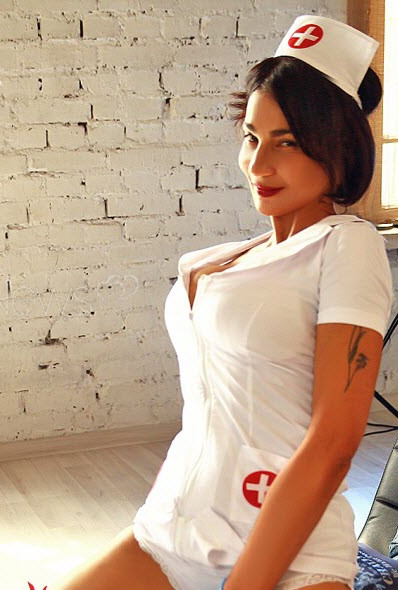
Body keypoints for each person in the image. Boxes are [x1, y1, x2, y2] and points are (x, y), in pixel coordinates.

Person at [52, 15, 393, 590]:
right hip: (171, 533)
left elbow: (335, 442)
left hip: (292, 555)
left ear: (335, 148)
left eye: (287, 142)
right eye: (252, 138)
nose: (259, 165)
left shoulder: (347, 246)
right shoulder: (227, 259)